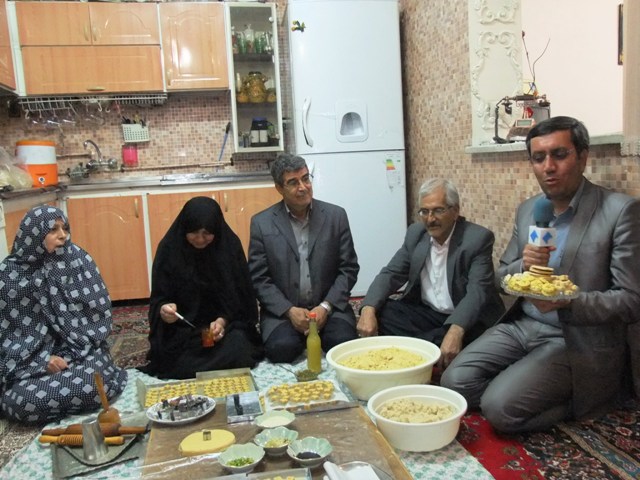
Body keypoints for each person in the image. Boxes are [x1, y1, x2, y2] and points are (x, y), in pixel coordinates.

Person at [441, 116, 640, 433]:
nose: (548, 167)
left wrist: (568, 302)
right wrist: (523, 265)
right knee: (453, 381)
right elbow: (501, 278)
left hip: (574, 336)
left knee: (499, 410)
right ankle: (522, 388)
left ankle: (588, 399)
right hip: (522, 325)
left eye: (559, 155)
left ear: (582, 157)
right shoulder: (529, 210)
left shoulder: (619, 211)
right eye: (538, 157)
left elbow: (630, 301)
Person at [358, 178, 505, 369]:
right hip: (429, 314)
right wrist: (368, 309)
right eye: (424, 211)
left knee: (470, 335)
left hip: (466, 319)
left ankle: (421, 349)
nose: (430, 219)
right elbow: (391, 273)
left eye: (438, 210)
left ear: (455, 211)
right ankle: (431, 348)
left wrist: (455, 331)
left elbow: (477, 293)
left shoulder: (477, 239)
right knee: (384, 311)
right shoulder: (416, 234)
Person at [0, 206, 127, 424]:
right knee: (23, 401)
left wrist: (71, 351)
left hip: (79, 353)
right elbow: (8, 336)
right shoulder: (9, 277)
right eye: (53, 230)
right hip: (29, 365)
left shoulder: (76, 260)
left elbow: (95, 314)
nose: (63, 235)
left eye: (65, 228)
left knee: (95, 381)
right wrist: (43, 361)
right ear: (33, 234)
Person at [248, 153, 360, 363]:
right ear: (279, 188)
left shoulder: (336, 216)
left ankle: (314, 333)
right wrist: (289, 311)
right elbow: (259, 278)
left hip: (329, 307)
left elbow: (349, 268)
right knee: (281, 349)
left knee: (343, 345)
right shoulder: (262, 223)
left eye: (306, 179)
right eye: (293, 182)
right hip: (284, 311)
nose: (303, 187)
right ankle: (298, 336)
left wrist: (325, 307)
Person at [145, 196, 263, 379]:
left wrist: (222, 321)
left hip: (223, 332)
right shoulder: (169, 249)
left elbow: (241, 301)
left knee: (240, 348)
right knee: (171, 358)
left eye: (207, 233)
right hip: (184, 331)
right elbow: (159, 299)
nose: (200, 239)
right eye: (194, 232)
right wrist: (165, 311)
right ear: (185, 228)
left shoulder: (229, 247)